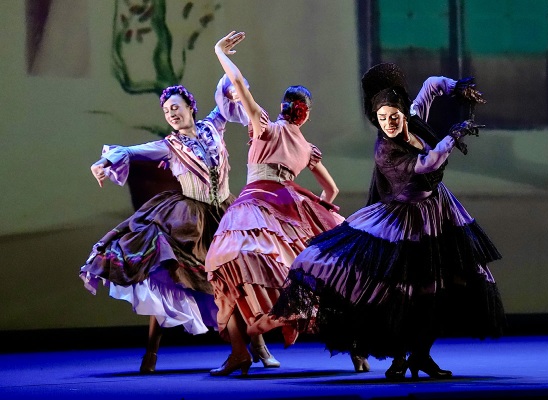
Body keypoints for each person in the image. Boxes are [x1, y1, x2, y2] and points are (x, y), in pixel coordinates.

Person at [250, 62, 506, 380]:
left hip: (438, 214)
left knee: (439, 290)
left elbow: (430, 85)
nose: (388, 123)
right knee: (402, 292)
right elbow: (427, 164)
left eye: (393, 117)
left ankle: (421, 356)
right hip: (404, 222)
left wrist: (455, 87)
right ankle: (399, 357)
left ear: (404, 113)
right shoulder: (385, 150)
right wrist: (452, 136)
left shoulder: (414, 117)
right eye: (382, 119)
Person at [80, 75, 257, 374]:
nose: (171, 113)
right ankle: (152, 352)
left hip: (226, 215)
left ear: (190, 107)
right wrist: (104, 163)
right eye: (166, 111)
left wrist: (228, 74)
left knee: (236, 280)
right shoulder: (169, 146)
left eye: (175, 107)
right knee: (169, 277)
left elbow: (229, 91)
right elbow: (132, 151)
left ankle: (252, 348)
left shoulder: (213, 126)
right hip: (191, 221)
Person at [205, 31, 343, 377]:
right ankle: (249, 346)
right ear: (305, 114)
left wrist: (220, 52)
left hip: (254, 205)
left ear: (284, 108)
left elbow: (239, 84)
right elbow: (331, 190)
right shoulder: (307, 149)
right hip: (287, 206)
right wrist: (315, 217)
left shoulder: (264, 127)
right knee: (282, 268)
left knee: (222, 264)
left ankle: (242, 349)